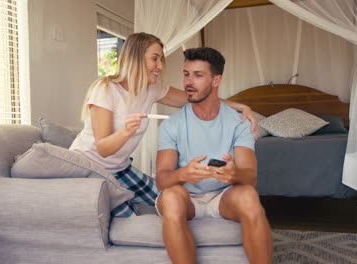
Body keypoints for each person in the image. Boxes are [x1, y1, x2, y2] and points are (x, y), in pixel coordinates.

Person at [70, 32, 257, 217]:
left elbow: (197, 98)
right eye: (155, 59)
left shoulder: (152, 88)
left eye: (161, 60)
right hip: (90, 167)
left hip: (121, 168)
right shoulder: (105, 89)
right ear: (135, 57)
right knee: (133, 220)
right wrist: (126, 131)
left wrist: (240, 106)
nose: (160, 66)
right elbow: (103, 148)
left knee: (168, 198)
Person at [155, 47, 272, 263]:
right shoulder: (171, 125)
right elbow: (162, 180)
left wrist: (233, 173)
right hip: (186, 198)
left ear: (216, 80)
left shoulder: (239, 122)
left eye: (198, 75)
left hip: (223, 197)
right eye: (186, 74)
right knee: (170, 197)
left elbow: (250, 177)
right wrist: (183, 174)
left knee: (248, 194)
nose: (189, 81)